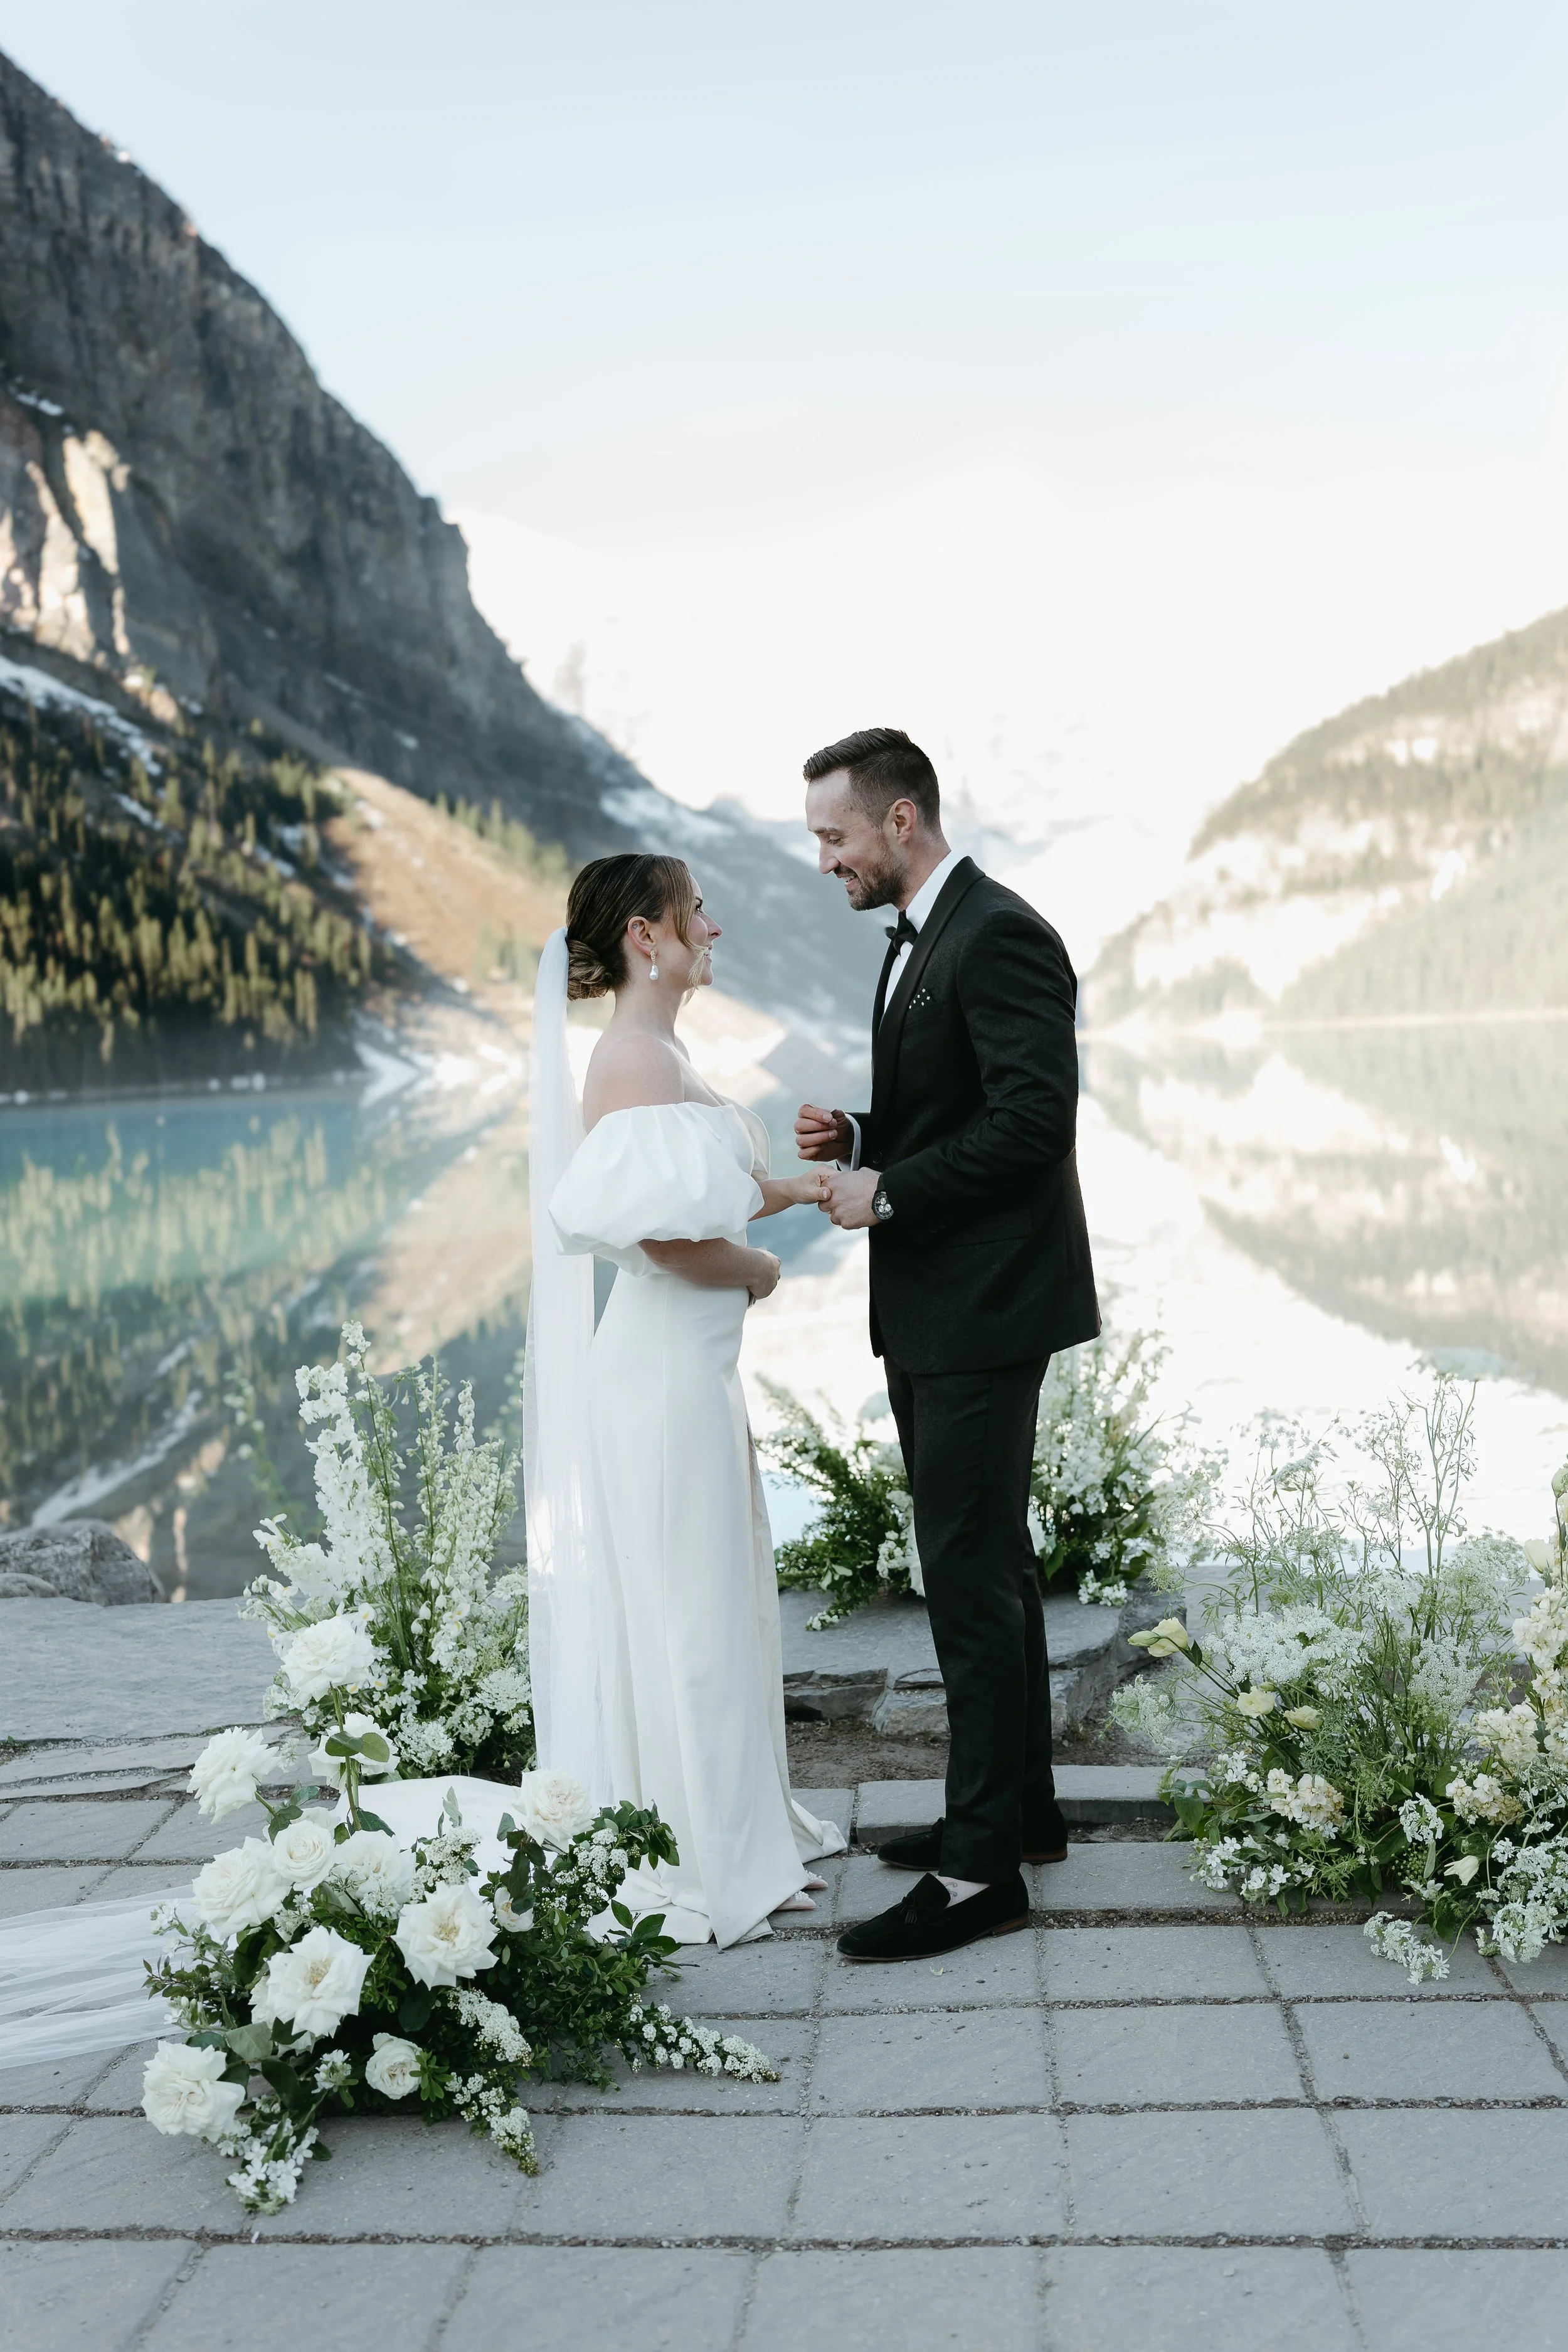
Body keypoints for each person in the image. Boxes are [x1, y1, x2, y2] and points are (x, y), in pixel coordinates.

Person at [795, 728, 1099, 1961]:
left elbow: (1033, 1122)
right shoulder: (930, 933)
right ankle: (1021, 1812)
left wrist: (892, 1192)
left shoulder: (999, 931)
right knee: (993, 1567)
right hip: (947, 1303)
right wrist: (863, 1135)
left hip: (984, 1306)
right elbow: (959, 1103)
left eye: (834, 835)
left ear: (900, 819)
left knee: (967, 1577)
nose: (825, 859)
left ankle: (979, 1873)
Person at [525, 852, 847, 1947]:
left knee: (714, 1595)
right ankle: (709, 1857)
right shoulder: (629, 1059)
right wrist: (760, 1271)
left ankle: (736, 1828)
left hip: (688, 1370)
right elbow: (667, 1239)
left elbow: (703, 1187)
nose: (713, 926)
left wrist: (798, 1187)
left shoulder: (661, 1052)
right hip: (661, 1374)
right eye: (696, 909)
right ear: (644, 935)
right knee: (690, 1614)